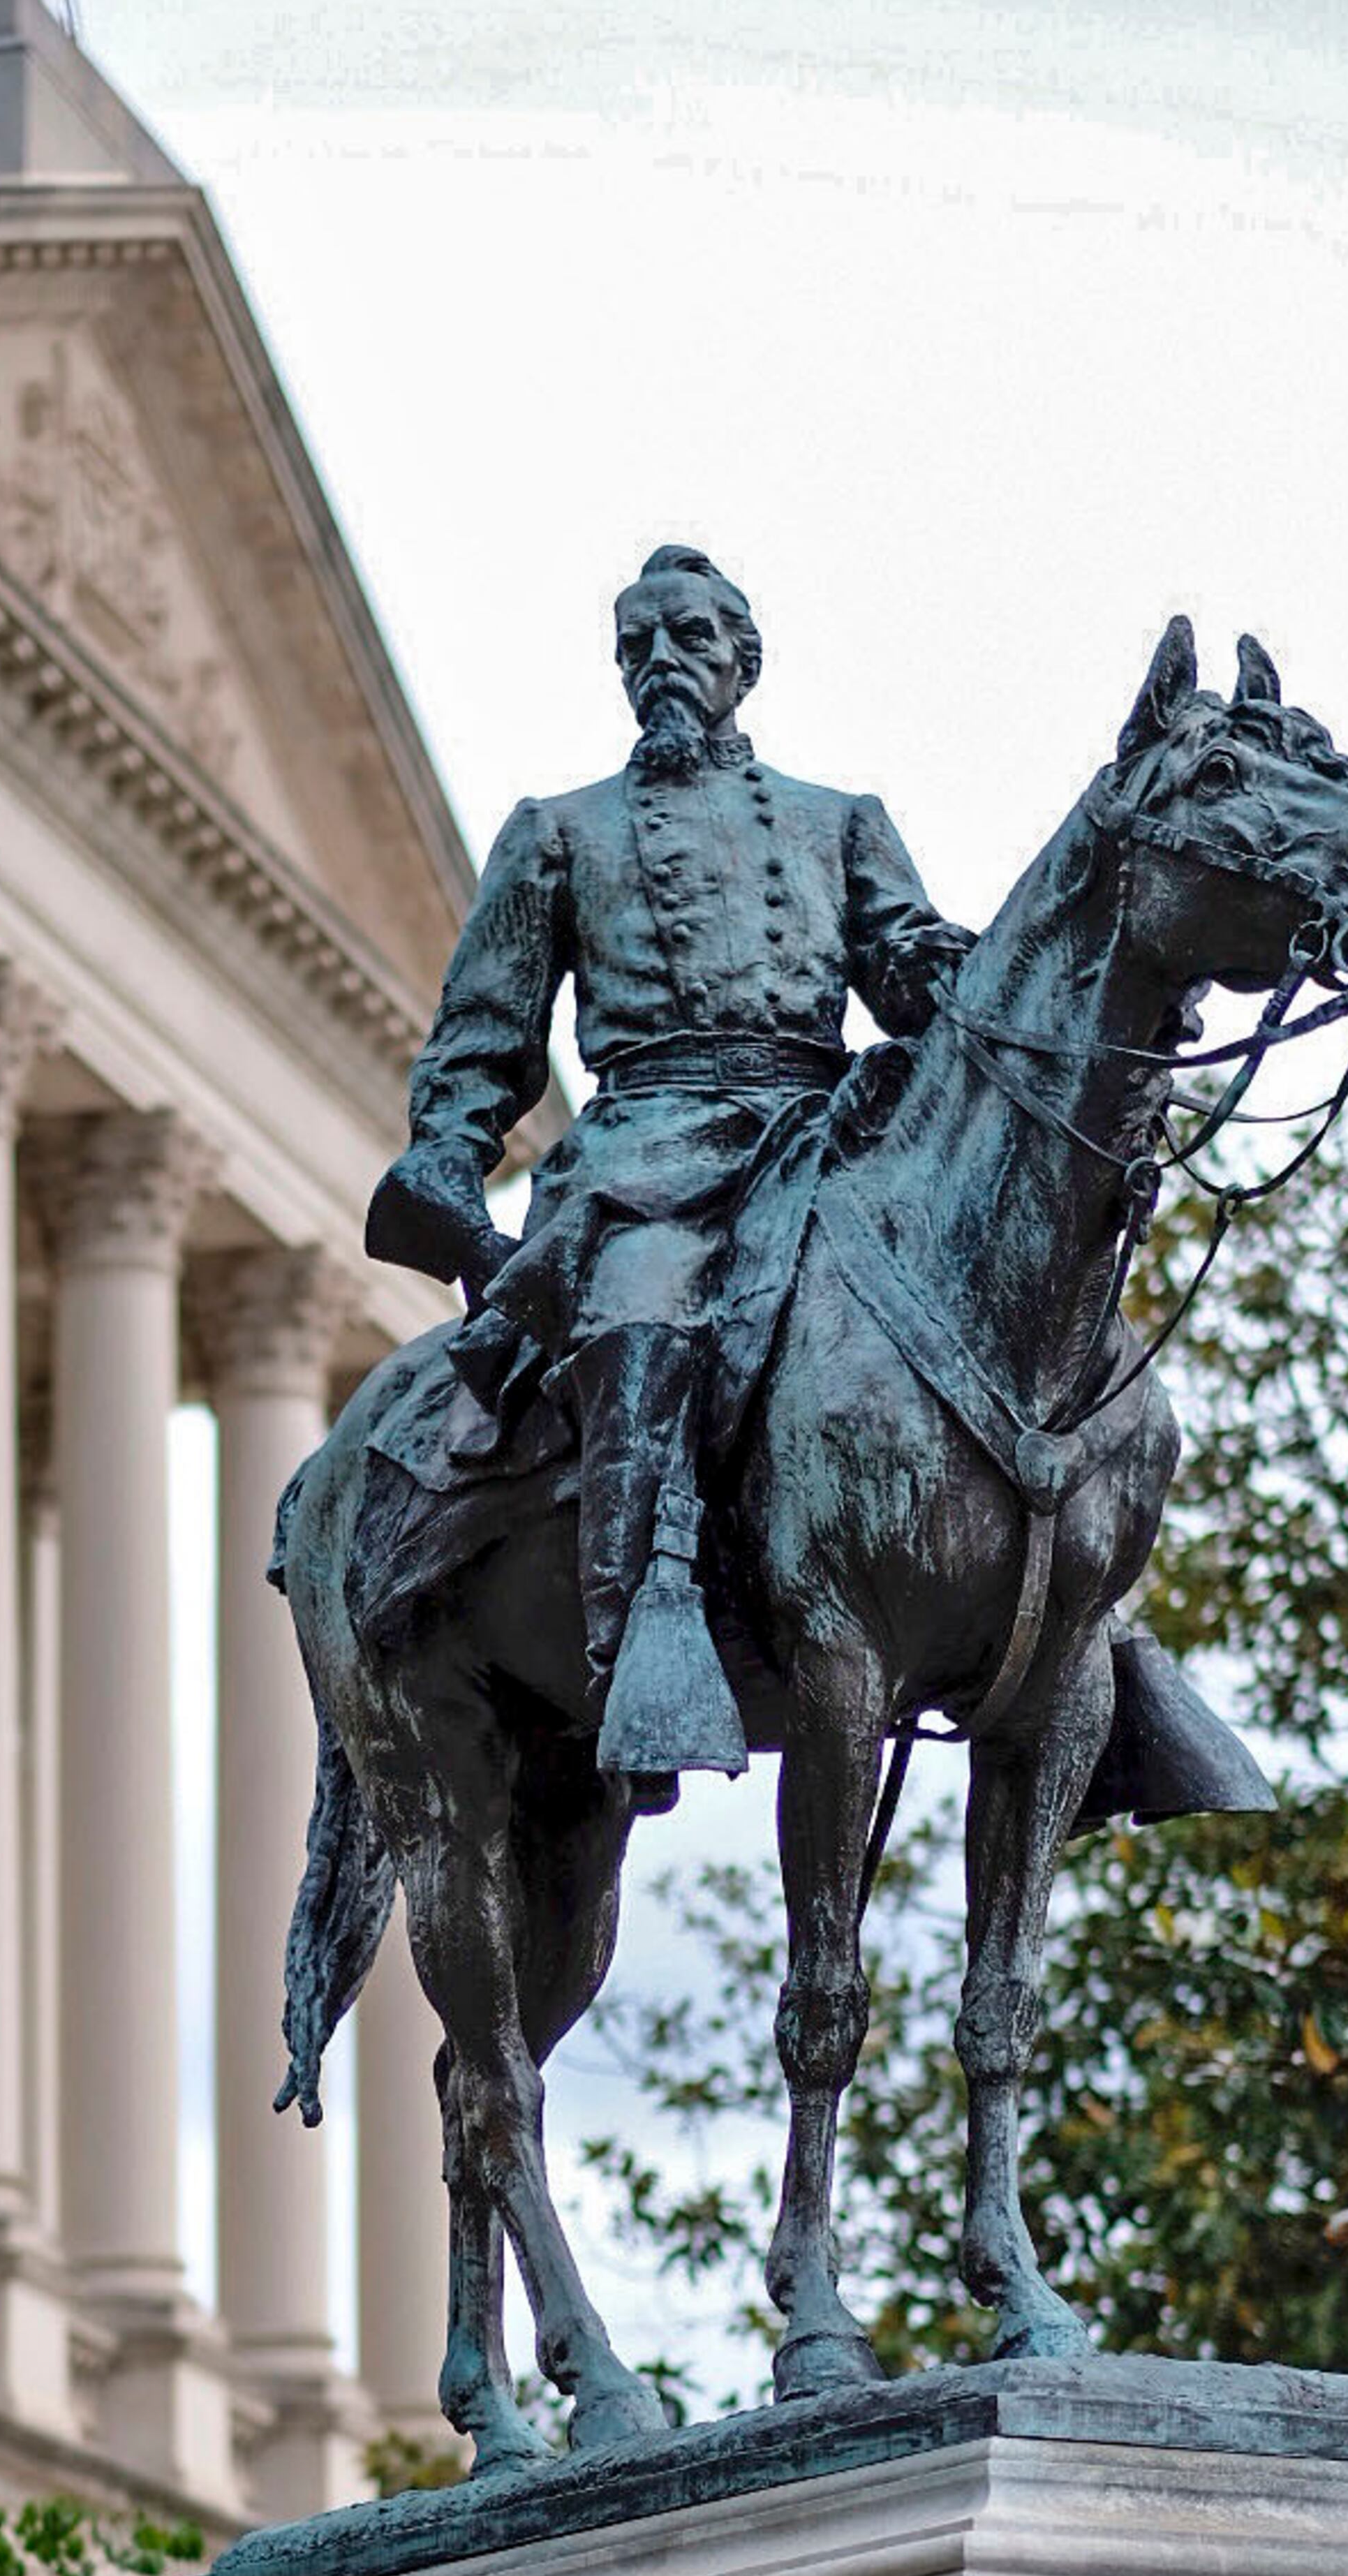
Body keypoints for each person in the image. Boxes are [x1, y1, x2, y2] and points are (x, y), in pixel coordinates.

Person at [364, 542, 971, 1780]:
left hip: (825, 1133)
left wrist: (972, 968)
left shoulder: (839, 821)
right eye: (637, 646)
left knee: (999, 1310)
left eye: (689, 639)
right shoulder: (558, 833)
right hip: (648, 1144)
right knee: (640, 1318)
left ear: (744, 661)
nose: (661, 665)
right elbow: (486, 1040)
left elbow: (911, 979)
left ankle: (1078, 1628)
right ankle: (636, 1642)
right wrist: (445, 1156)